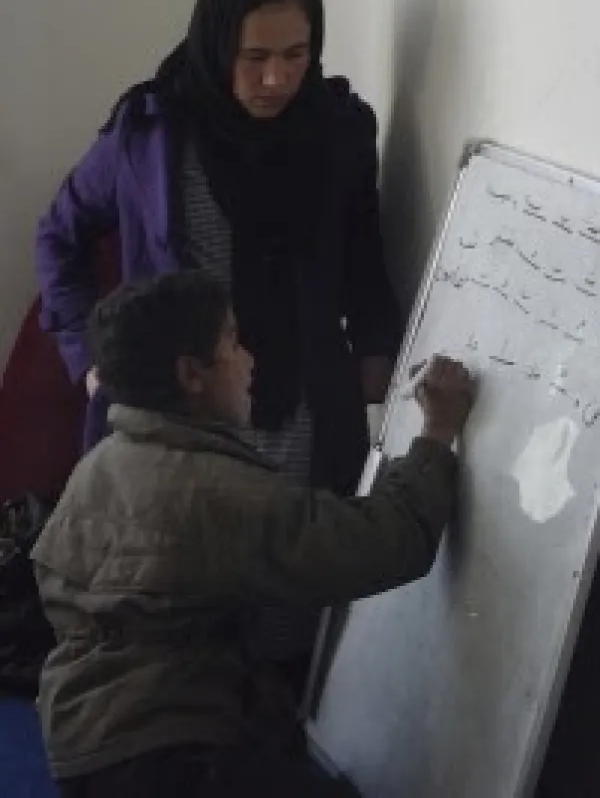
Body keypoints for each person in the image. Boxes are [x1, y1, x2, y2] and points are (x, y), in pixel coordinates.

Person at [31, 271, 475, 798]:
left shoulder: (101, 463)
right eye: (233, 342)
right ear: (192, 374)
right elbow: (385, 544)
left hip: (82, 742)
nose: (249, 360)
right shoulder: (213, 490)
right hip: (164, 758)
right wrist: (437, 433)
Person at [35, 0, 401, 498]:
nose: (276, 79)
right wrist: (89, 357)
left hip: (307, 436)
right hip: (176, 436)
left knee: (298, 554)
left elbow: (363, 261)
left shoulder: (338, 133)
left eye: (295, 55)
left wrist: (377, 357)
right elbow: (60, 236)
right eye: (254, 57)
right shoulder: (151, 135)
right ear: (216, 40)